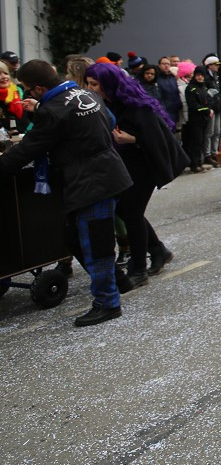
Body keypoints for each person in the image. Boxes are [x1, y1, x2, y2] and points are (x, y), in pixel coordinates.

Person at [0, 60, 133, 326]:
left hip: (91, 182)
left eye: (27, 89)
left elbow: (29, 148)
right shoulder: (85, 93)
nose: (27, 94)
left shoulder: (54, 110)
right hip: (108, 173)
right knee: (76, 238)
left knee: (96, 245)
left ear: (39, 87)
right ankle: (118, 283)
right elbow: (110, 121)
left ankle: (108, 303)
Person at [85, 63, 187, 284]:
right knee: (126, 211)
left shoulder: (135, 106)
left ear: (108, 84)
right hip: (126, 165)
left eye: (95, 84)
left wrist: (132, 139)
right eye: (88, 84)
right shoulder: (106, 103)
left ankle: (138, 269)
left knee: (131, 213)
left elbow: (158, 138)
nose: (90, 89)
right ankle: (158, 250)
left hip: (144, 165)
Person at [156, 56, 182, 131]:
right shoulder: (157, 78)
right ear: (159, 65)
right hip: (164, 111)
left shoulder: (173, 78)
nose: (166, 65)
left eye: (168, 64)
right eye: (164, 63)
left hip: (175, 110)